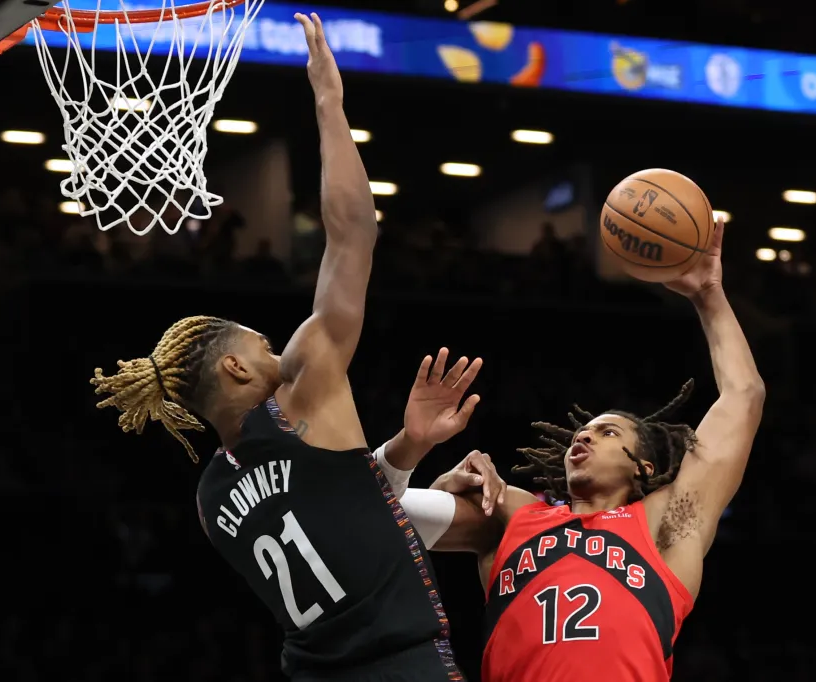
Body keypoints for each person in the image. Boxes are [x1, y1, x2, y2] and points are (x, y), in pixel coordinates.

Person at [89, 13, 482, 682]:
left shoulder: (211, 498)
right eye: (265, 343)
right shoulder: (301, 395)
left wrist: (406, 450)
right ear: (236, 366)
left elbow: (336, 514)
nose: (281, 350)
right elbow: (354, 233)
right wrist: (329, 100)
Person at [399, 217, 764, 681]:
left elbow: (743, 397)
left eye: (608, 433)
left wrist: (708, 296)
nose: (584, 436)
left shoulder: (665, 524)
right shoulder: (515, 511)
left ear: (643, 468)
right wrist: (433, 471)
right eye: (582, 432)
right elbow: (397, 523)